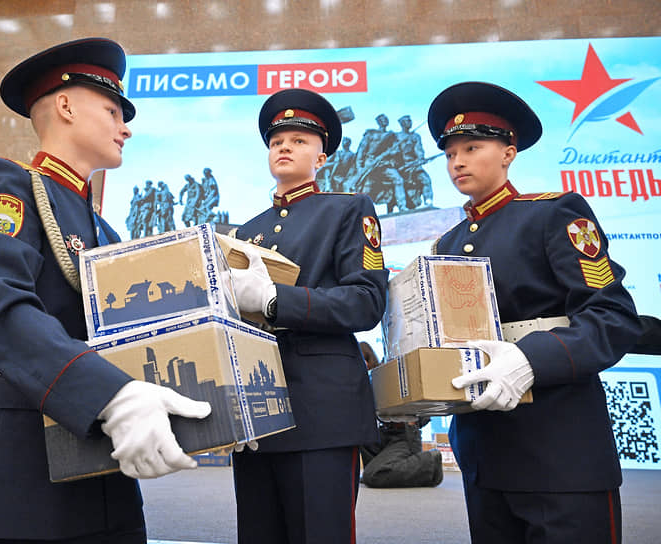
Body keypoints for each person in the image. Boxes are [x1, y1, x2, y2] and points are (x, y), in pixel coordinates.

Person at [0, 38, 210, 543]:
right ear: (65, 105)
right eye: (112, 110)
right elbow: (1, 305)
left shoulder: (106, 234)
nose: (125, 127)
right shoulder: (10, 185)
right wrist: (111, 395)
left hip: (89, 444)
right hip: (2, 449)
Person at [428, 81, 641, 543]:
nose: (457, 161)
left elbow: (612, 316)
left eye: (472, 147)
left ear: (509, 152)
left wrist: (529, 359)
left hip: (559, 448)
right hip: (484, 451)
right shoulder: (446, 243)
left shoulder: (554, 214)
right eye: (449, 154)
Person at [229, 88, 388, 543]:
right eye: (278, 140)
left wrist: (276, 300)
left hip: (321, 410)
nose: (285, 146)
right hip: (256, 409)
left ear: (322, 157)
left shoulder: (348, 209)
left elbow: (365, 301)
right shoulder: (246, 231)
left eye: (299, 140)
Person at [357, 341, 443, 489]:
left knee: (373, 476)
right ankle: (378, 468)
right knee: (361, 431)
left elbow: (425, 415)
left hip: (402, 436)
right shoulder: (359, 385)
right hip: (381, 437)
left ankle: (430, 461)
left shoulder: (386, 375)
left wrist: (410, 421)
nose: (363, 364)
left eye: (365, 359)